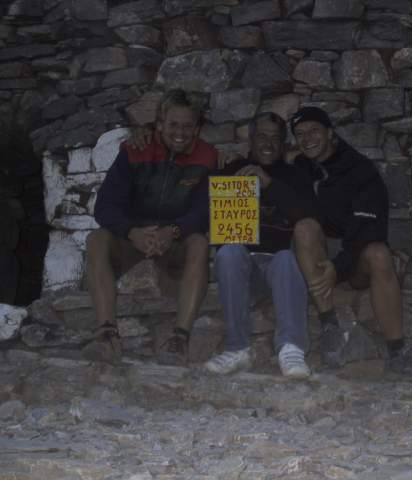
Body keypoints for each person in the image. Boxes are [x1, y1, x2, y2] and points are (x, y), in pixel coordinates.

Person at [83, 89, 218, 365]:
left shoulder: (207, 157)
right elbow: (105, 206)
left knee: (200, 242)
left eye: (188, 126)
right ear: (159, 124)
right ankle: (107, 335)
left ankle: (179, 338)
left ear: (197, 128)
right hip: (133, 238)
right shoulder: (134, 150)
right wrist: (132, 232)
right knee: (96, 239)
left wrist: (173, 231)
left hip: (175, 240)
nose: (180, 132)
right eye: (173, 124)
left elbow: (204, 211)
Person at [289, 106, 409, 371]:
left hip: (355, 251)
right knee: (304, 229)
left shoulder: (360, 169)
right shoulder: (301, 167)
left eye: (314, 131)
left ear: (330, 133)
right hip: (320, 250)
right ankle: (329, 324)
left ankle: (397, 351)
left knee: (379, 254)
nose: (307, 138)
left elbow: (368, 229)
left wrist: (339, 265)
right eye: (300, 134)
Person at [203, 112, 313, 378]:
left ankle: (291, 348)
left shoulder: (295, 176)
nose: (268, 143)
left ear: (283, 144)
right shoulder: (232, 170)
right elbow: (213, 222)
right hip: (241, 268)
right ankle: (237, 349)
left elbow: (306, 217)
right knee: (228, 251)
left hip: (281, 270)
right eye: (262, 136)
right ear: (251, 140)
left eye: (275, 138)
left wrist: (269, 184)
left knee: (286, 257)